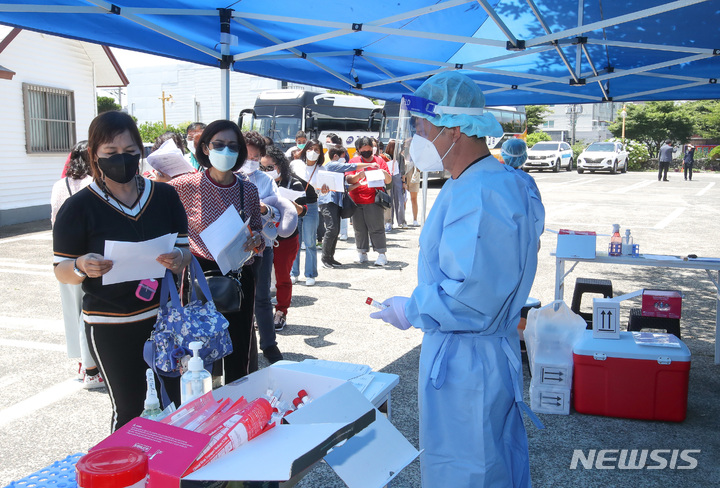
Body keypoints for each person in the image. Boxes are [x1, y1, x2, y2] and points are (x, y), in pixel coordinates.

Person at [370, 71, 545, 487]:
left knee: (469, 468)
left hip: (469, 362)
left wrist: (411, 309)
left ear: (455, 127)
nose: (416, 133)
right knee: (482, 460)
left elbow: (469, 298)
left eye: (421, 124)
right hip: (474, 352)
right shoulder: (478, 182)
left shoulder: (483, 193)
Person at [53, 111, 191, 431]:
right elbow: (61, 270)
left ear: (140, 152)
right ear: (94, 156)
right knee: (129, 407)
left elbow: (184, 250)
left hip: (163, 319)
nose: (122, 161)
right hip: (110, 323)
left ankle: (170, 471)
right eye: (111, 154)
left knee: (175, 401)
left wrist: (178, 258)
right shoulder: (78, 207)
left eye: (130, 153)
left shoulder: (165, 196)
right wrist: (80, 266)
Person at [169, 120, 264, 385]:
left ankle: (236, 405)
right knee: (197, 353)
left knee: (238, 349)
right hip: (197, 277)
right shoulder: (184, 186)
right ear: (205, 148)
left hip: (238, 276)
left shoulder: (248, 190)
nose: (226, 151)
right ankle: (200, 410)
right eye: (219, 145)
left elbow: (258, 234)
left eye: (232, 146)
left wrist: (256, 241)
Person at [50, 140, 103, 389]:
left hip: (64, 257)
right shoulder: (92, 184)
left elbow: (53, 219)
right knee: (88, 313)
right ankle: (93, 369)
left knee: (73, 313)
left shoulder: (59, 185)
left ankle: (83, 365)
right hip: (90, 259)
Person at [240, 130, 283, 364]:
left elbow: (278, 210)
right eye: (247, 155)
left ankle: (269, 345)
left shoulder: (265, 180)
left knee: (263, 297)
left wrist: (264, 209)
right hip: (233, 248)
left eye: (256, 157)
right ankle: (242, 345)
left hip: (262, 246)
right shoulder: (224, 176)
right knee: (236, 296)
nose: (251, 161)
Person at [261, 145, 314, 331]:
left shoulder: (293, 184)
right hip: (263, 236)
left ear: (280, 165)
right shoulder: (259, 182)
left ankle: (281, 311)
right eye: (262, 167)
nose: (266, 171)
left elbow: (303, 211)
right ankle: (261, 313)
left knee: (283, 276)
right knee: (262, 277)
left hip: (286, 238)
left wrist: (289, 203)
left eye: (269, 167)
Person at [319, 145, 379, 268]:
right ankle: (325, 258)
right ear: (335, 156)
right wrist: (370, 165)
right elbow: (351, 166)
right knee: (331, 229)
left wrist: (360, 183)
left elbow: (345, 188)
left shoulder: (337, 172)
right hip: (328, 202)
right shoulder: (331, 165)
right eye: (343, 157)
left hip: (336, 202)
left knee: (335, 230)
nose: (345, 160)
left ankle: (331, 258)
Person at [346, 137, 392, 266]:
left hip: (374, 199)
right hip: (356, 199)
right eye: (364, 149)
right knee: (359, 228)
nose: (367, 151)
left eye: (369, 149)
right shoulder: (354, 161)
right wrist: (358, 176)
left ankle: (381, 254)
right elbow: (349, 179)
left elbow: (388, 181)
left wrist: (383, 173)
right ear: (359, 150)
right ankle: (362, 252)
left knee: (376, 227)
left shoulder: (380, 161)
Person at [289, 139, 323, 285]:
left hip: (311, 205)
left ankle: (310, 274)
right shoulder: (295, 164)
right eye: (310, 149)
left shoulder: (321, 169)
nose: (312, 152)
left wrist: (325, 189)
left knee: (310, 241)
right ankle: (293, 273)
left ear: (320, 153)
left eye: (316, 150)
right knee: (294, 241)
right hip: (295, 204)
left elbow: (322, 188)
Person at [385, 140, 408, 229]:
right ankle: (401, 221)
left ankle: (389, 221)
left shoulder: (384, 156)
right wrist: (403, 182)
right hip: (397, 178)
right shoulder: (400, 156)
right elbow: (402, 171)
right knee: (399, 200)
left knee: (389, 199)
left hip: (387, 178)